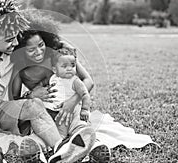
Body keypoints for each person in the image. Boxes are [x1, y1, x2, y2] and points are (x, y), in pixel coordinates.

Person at [0, 0, 96, 163]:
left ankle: (60, 151)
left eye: (16, 37)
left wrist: (58, 44)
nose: (16, 43)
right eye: (10, 39)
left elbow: (45, 47)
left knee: (35, 105)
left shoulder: (11, 52)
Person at [10, 10, 111, 162]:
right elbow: (14, 100)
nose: (38, 52)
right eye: (31, 50)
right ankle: (38, 153)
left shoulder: (57, 54)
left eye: (41, 45)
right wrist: (31, 95)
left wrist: (73, 102)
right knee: (40, 128)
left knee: (77, 122)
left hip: (69, 107)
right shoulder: (19, 69)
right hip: (44, 111)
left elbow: (88, 80)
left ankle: (93, 145)